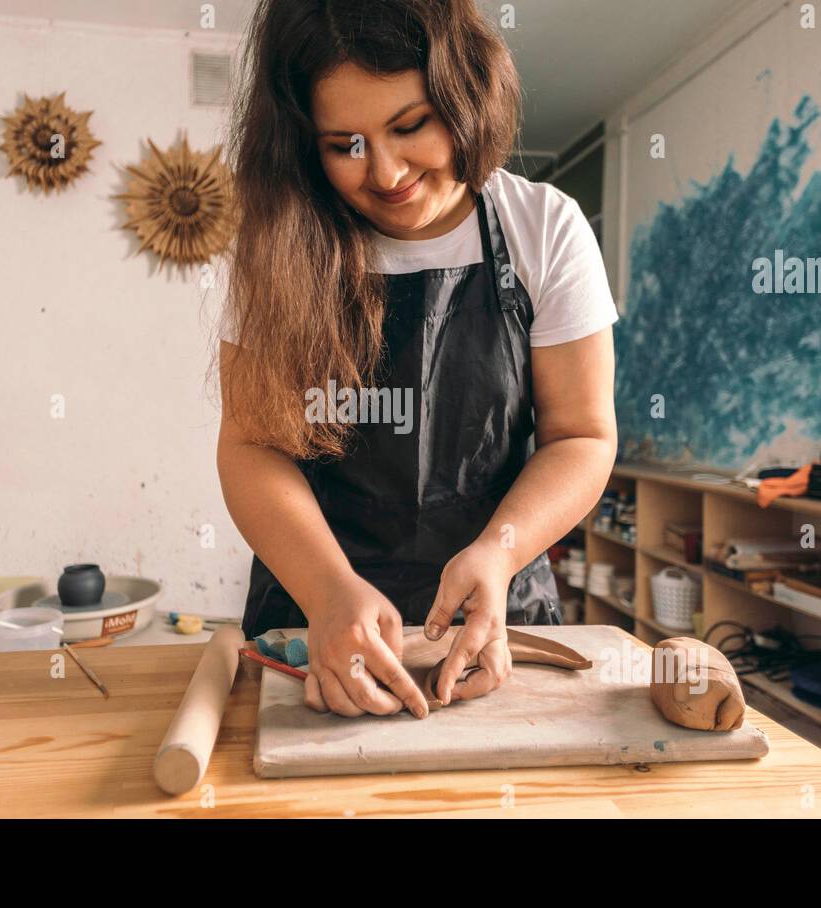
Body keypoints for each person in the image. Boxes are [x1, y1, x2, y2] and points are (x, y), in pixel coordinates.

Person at [217, 0, 617, 718]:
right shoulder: (279, 244)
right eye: (346, 145)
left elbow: (582, 437)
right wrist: (327, 591)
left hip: (498, 617)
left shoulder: (544, 229)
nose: (389, 172)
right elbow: (252, 446)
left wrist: (499, 551)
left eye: (410, 126)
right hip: (313, 619)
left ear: (463, 92)